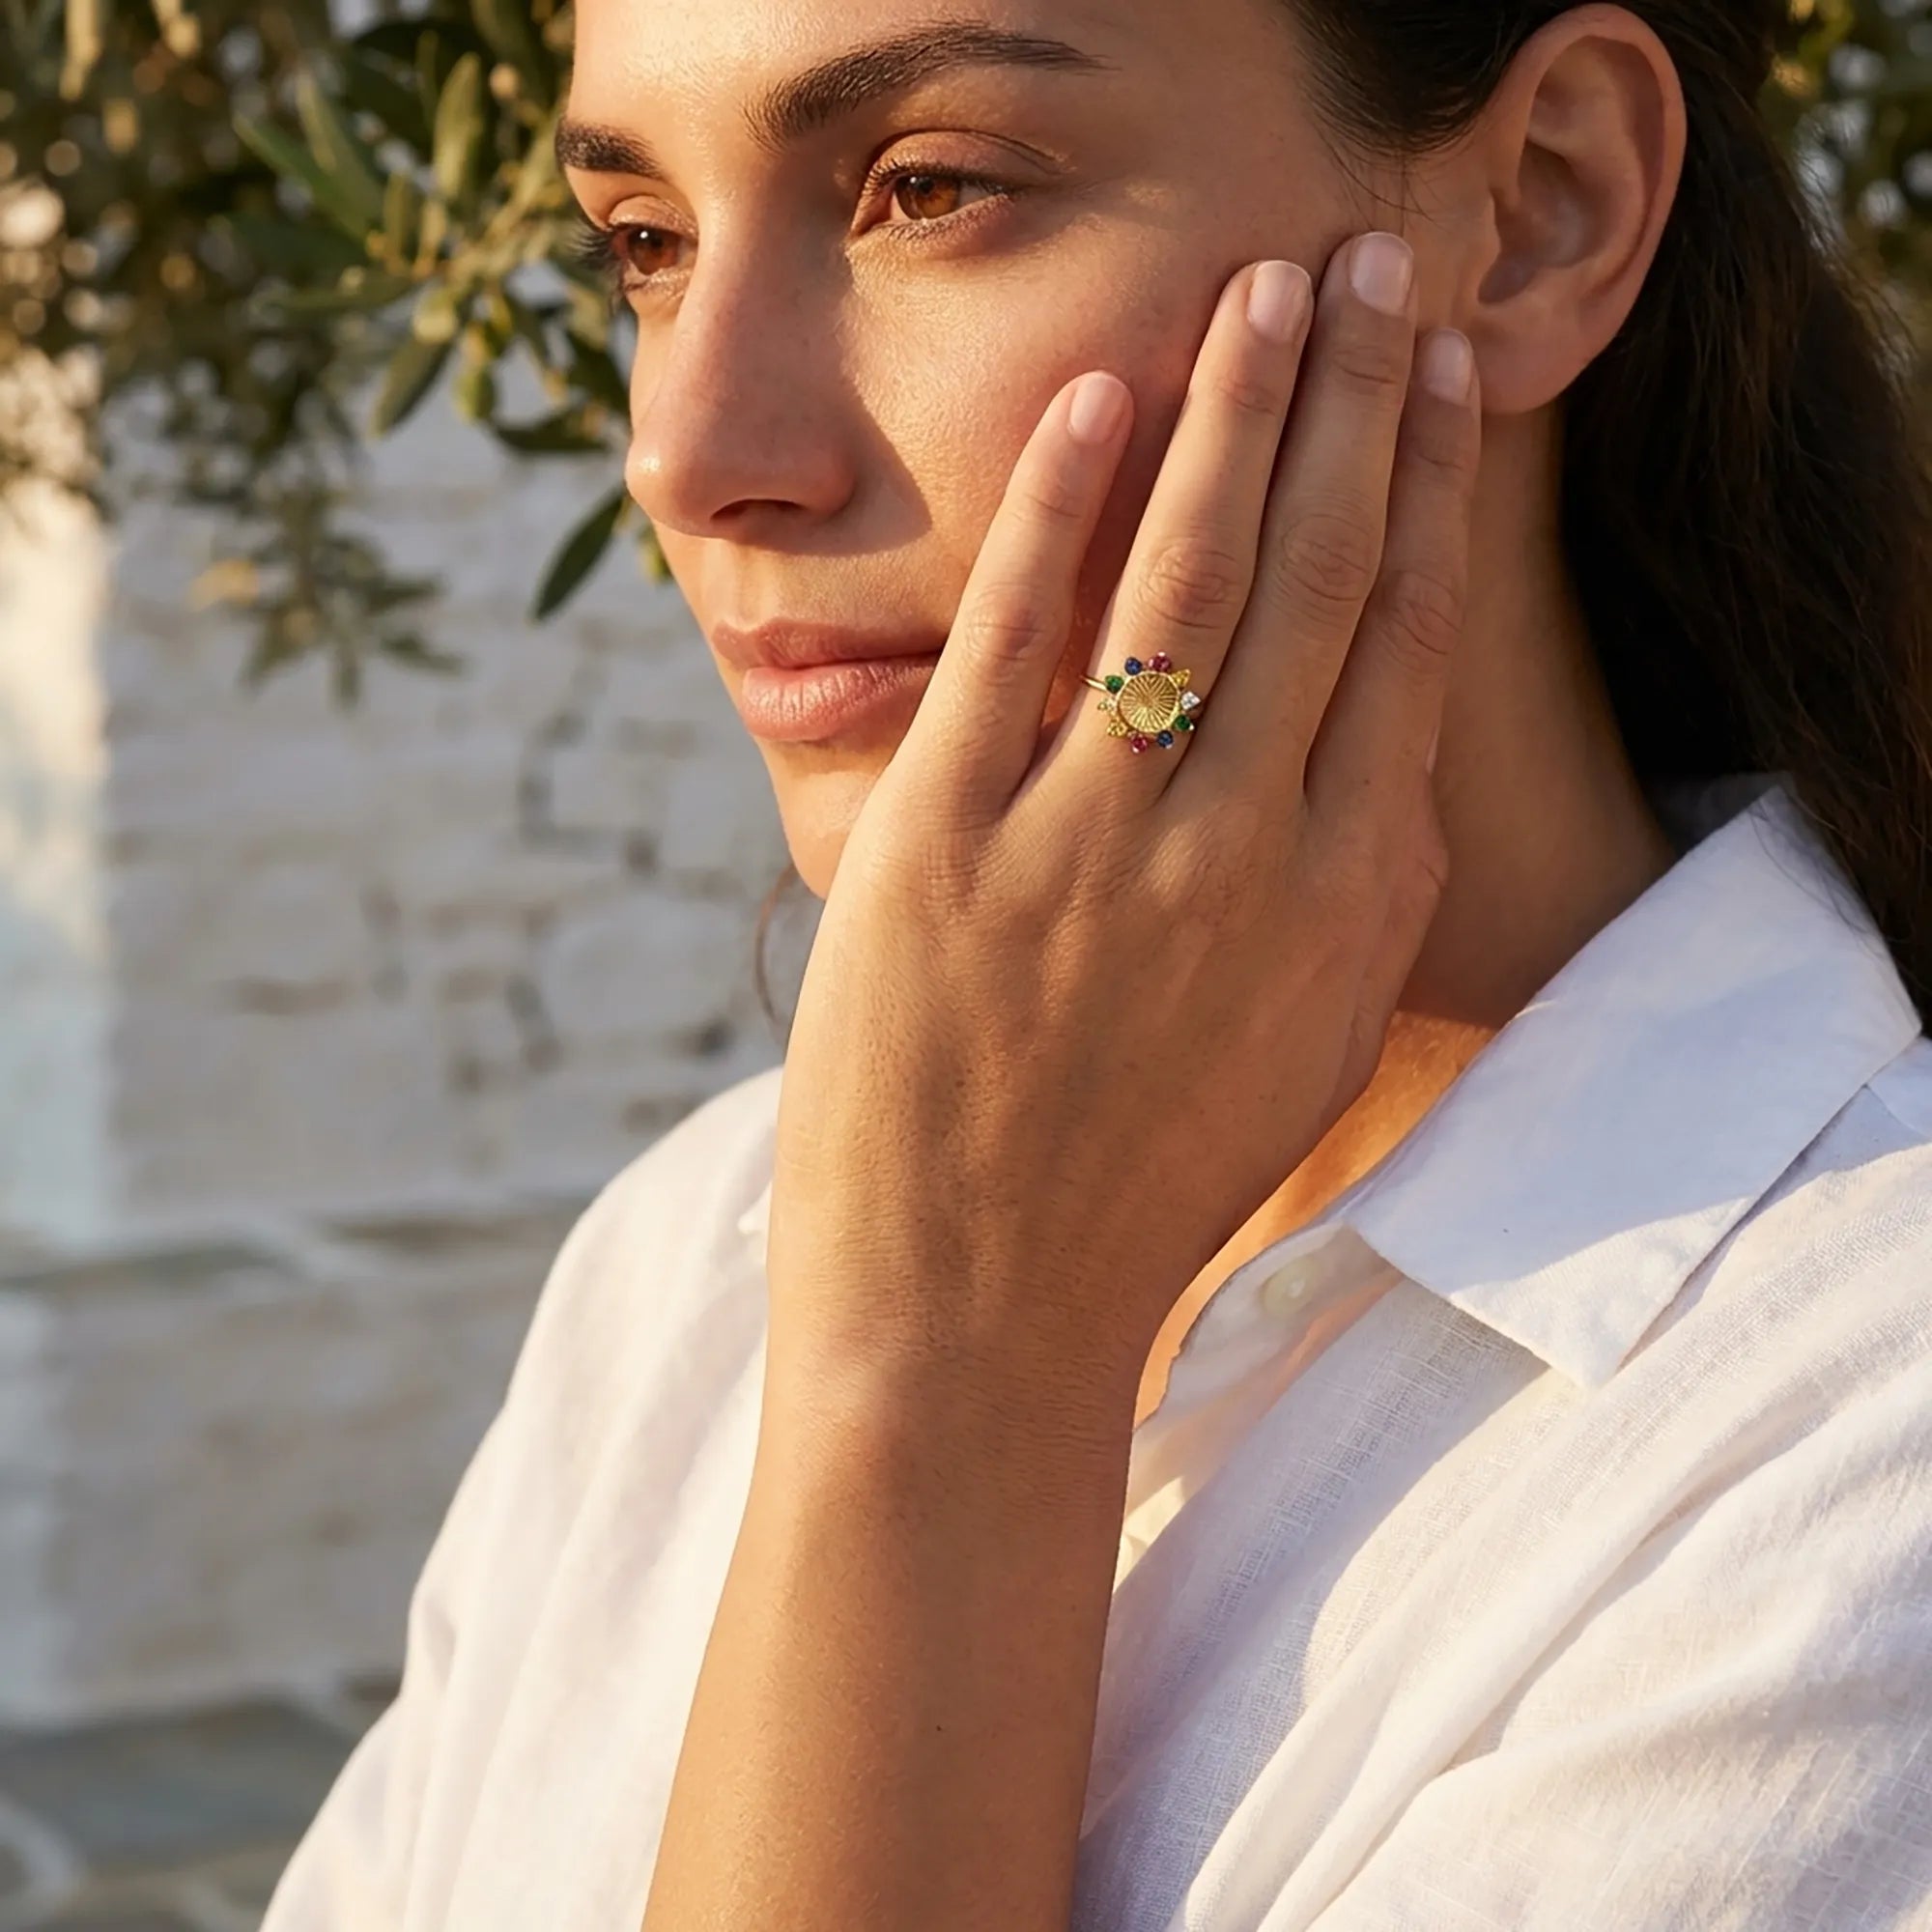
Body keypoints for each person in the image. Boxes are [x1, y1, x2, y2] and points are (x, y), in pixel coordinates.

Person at [263, 0, 1932, 1926]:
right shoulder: (693, 1255)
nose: (687, 451)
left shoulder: (1849, 1458)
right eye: (645, 240)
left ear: (1542, 207)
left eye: (929, 188)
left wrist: (948, 1378)